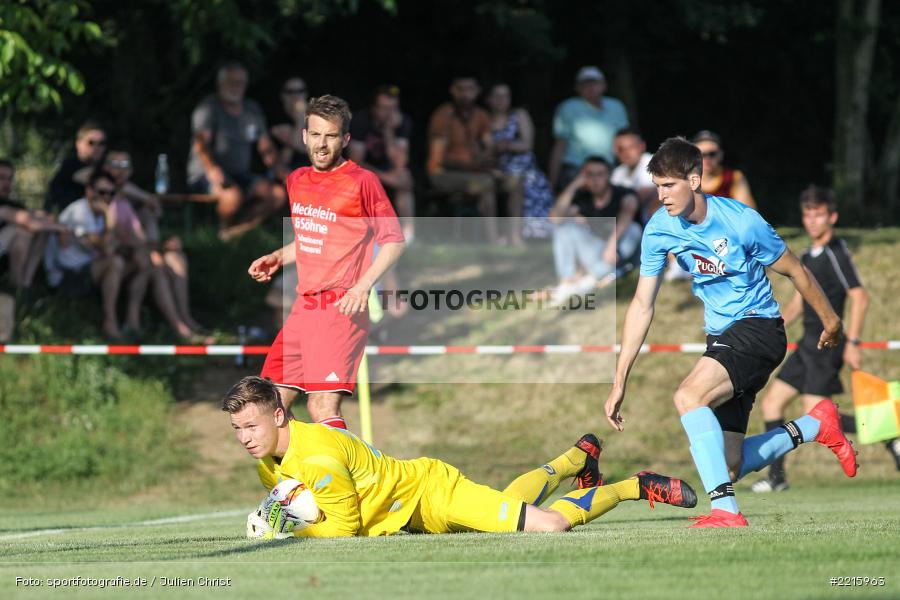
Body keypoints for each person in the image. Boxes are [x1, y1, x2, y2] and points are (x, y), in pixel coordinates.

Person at [603, 137, 856, 528]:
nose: (662, 195)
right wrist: (619, 379)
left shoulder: (742, 221)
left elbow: (795, 270)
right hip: (722, 336)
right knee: (729, 464)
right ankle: (814, 424)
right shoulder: (659, 229)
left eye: (669, 185)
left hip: (759, 328)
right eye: (657, 186)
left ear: (695, 179)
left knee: (689, 396)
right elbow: (642, 305)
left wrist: (832, 320)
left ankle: (726, 511)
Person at [224, 375, 697, 539]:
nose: (245, 438)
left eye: (252, 425)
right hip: (410, 513)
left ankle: (633, 486)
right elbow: (303, 501)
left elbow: (344, 530)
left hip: (433, 493)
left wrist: (288, 530)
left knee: (549, 526)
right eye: (238, 429)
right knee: (508, 504)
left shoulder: (318, 455)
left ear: (280, 416)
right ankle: (575, 459)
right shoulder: (269, 456)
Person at [247, 95, 405, 431]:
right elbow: (309, 236)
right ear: (303, 135)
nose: (322, 144)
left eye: (331, 136)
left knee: (321, 406)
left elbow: (393, 242)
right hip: (305, 306)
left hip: (341, 306)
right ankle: (301, 481)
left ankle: (344, 483)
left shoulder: (362, 182)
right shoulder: (297, 180)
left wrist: (363, 287)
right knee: (270, 407)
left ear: (345, 139)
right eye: (315, 134)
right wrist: (279, 256)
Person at [752, 186, 899, 491]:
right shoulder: (807, 254)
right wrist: (766, 324)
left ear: (832, 217)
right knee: (771, 403)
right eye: (808, 215)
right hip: (807, 345)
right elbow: (796, 304)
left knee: (815, 415)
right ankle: (776, 479)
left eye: (819, 214)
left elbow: (859, 297)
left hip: (827, 345)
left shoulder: (836, 252)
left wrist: (853, 342)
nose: (813, 221)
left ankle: (890, 433)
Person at [105, 150, 203, 339]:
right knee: (154, 266)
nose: (120, 171)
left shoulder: (132, 200)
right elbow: (123, 238)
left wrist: (163, 245)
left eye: (124, 166)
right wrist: (146, 198)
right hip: (116, 256)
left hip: (139, 252)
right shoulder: (105, 192)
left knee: (175, 259)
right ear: (107, 168)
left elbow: (148, 234)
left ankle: (184, 318)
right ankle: (178, 327)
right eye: (115, 166)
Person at [187, 61, 281, 235]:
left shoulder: (251, 109)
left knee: (276, 194)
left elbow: (265, 146)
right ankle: (220, 234)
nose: (236, 87)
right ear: (220, 83)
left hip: (240, 174)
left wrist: (281, 170)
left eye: (240, 82)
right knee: (232, 197)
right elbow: (201, 144)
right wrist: (212, 169)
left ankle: (235, 232)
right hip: (205, 173)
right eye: (231, 82)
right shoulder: (209, 107)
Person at [427, 76, 522, 245]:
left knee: (515, 182)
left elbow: (488, 147)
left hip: (476, 171)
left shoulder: (481, 116)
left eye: (470, 89)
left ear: (477, 92)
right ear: (453, 91)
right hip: (445, 174)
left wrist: (495, 153)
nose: (465, 94)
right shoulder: (443, 116)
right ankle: (493, 241)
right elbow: (438, 160)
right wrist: (479, 168)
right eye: (461, 89)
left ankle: (514, 237)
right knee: (485, 183)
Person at [53, 170, 146, 339]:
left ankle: (133, 323)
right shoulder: (80, 213)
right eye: (102, 192)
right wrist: (110, 219)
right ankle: (110, 323)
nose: (107, 197)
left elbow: (117, 244)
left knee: (143, 263)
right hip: (66, 276)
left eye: (111, 193)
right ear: (89, 191)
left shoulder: (99, 213)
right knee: (115, 262)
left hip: (88, 269)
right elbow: (106, 248)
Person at [548, 156, 641, 305]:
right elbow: (554, 218)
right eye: (589, 174)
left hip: (623, 253)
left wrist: (612, 243)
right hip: (599, 254)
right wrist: (574, 185)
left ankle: (589, 281)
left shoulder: (623, 193)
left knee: (634, 230)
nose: (595, 179)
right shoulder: (583, 198)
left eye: (600, 174)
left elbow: (628, 213)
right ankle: (567, 283)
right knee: (564, 227)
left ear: (609, 175)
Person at [486, 83, 554, 240]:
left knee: (530, 185)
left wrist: (508, 145)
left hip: (525, 168)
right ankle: (503, 237)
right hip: (497, 169)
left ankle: (528, 235)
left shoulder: (519, 115)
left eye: (505, 96)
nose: (501, 100)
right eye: (497, 96)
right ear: (488, 99)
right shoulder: (483, 119)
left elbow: (528, 144)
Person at [349, 85, 416, 242]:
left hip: (388, 171)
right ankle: (375, 237)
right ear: (374, 108)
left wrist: (388, 131)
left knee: (404, 178)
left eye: (393, 108)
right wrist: (387, 178)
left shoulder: (402, 122)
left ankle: (408, 236)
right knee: (370, 181)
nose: (389, 113)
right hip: (362, 172)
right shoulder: (361, 121)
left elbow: (400, 161)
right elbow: (356, 162)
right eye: (384, 108)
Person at [548, 66, 629, 192]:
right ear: (577, 88)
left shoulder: (616, 106)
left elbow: (625, 142)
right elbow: (559, 146)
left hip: (610, 168)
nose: (591, 87)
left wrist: (629, 170)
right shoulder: (567, 107)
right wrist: (552, 182)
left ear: (604, 85)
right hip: (577, 169)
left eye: (595, 82)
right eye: (585, 84)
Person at [0, 159, 66, 292]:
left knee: (37, 230)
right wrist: (63, 229)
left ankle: (24, 283)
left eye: (10, 178)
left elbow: (36, 216)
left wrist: (47, 219)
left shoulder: (13, 204)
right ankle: (18, 287)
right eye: (1, 178)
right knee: (22, 231)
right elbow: (30, 222)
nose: (7, 183)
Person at [46, 121, 107, 214]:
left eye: (101, 143)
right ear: (79, 144)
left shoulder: (104, 167)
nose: (97, 147)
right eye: (91, 142)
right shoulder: (69, 167)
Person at [692, 130, 755, 209]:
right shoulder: (684, 179)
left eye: (712, 154)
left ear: (721, 154)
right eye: (701, 154)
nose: (706, 158)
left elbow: (748, 212)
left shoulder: (733, 177)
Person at [611, 127, 657, 222]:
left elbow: (643, 195)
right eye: (621, 149)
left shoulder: (654, 163)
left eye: (631, 147)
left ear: (642, 146)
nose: (626, 153)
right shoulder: (618, 172)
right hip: (635, 223)